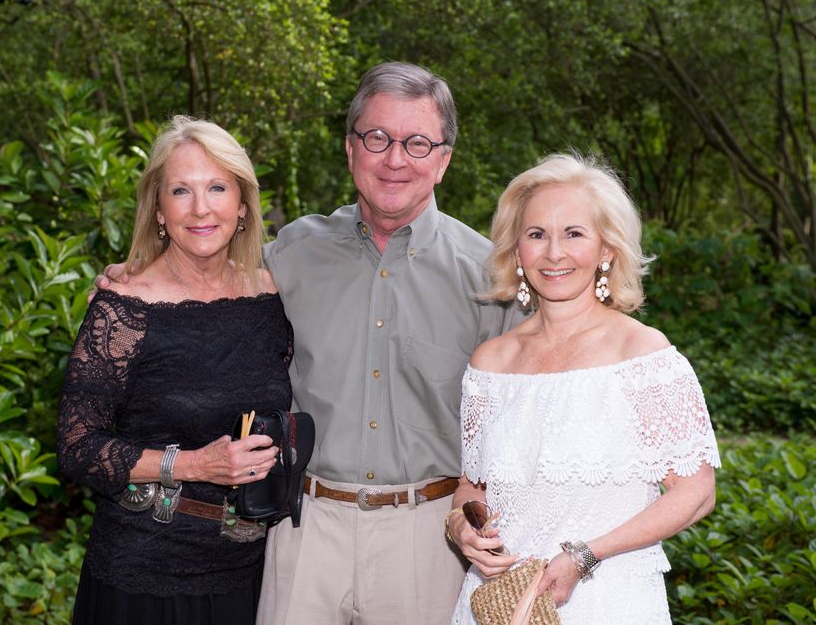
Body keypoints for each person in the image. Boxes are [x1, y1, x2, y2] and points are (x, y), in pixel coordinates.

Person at [97, 62, 518, 623]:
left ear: (443, 160)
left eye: (417, 143)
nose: (395, 159)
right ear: (350, 149)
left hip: (428, 537)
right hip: (304, 528)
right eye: (377, 138)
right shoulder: (292, 254)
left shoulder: (490, 279)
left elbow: (524, 420)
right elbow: (208, 279)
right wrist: (137, 278)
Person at [445, 153, 720, 624]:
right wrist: (461, 527)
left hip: (609, 598)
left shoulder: (644, 355)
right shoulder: (490, 362)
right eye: (537, 234)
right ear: (517, 250)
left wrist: (586, 555)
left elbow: (696, 492)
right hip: (500, 603)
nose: (554, 253)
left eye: (574, 233)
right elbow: (473, 485)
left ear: (606, 249)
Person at [57, 116, 293, 625]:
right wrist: (193, 465)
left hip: (252, 576)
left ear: (243, 204)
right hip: (143, 575)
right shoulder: (123, 307)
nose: (200, 208)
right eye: (181, 190)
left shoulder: (273, 297)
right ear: (158, 210)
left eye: (217, 187)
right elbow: (78, 448)